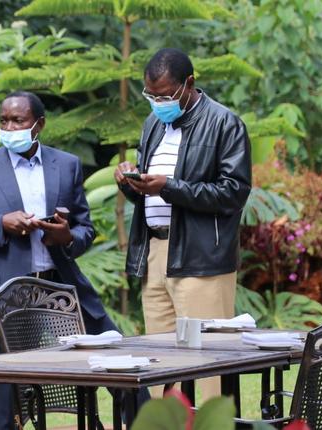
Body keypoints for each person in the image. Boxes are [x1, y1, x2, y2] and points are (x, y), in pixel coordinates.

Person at [0, 91, 122, 430]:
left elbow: (85, 227)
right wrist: (1, 224)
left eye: (18, 121)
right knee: (7, 383)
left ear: (38, 125)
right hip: (7, 292)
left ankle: (143, 421)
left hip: (60, 284)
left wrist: (66, 236)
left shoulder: (65, 164)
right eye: (4, 120)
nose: (9, 127)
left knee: (113, 351)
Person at [114, 48, 252, 399]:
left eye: (164, 94)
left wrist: (169, 187)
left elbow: (233, 193)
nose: (158, 102)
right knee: (161, 361)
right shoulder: (153, 125)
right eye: (151, 95)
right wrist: (131, 183)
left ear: (189, 84)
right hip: (155, 254)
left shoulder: (224, 123)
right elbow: (152, 196)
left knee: (208, 360)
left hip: (200, 258)